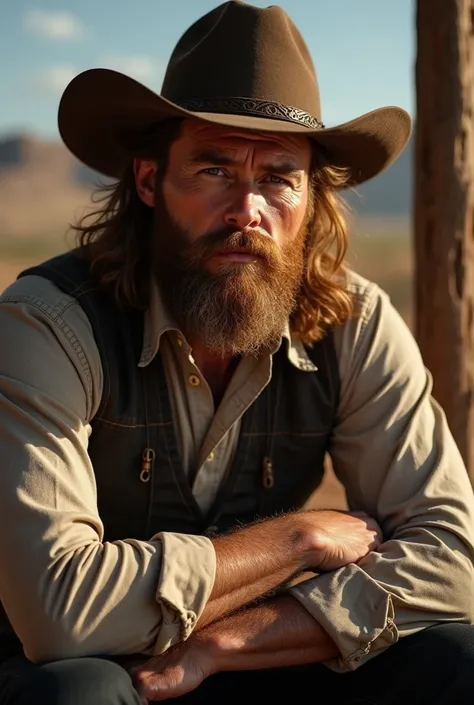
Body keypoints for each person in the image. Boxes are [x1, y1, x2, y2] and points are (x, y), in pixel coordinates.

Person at [1, 1, 474, 703]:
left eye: (279, 176)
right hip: (104, 668)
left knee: (458, 656)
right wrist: (296, 541)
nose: (248, 209)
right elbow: (60, 612)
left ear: (312, 199)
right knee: (75, 690)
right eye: (214, 170)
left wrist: (220, 646)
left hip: (256, 656)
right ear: (148, 180)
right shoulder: (49, 325)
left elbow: (452, 563)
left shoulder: (354, 322)